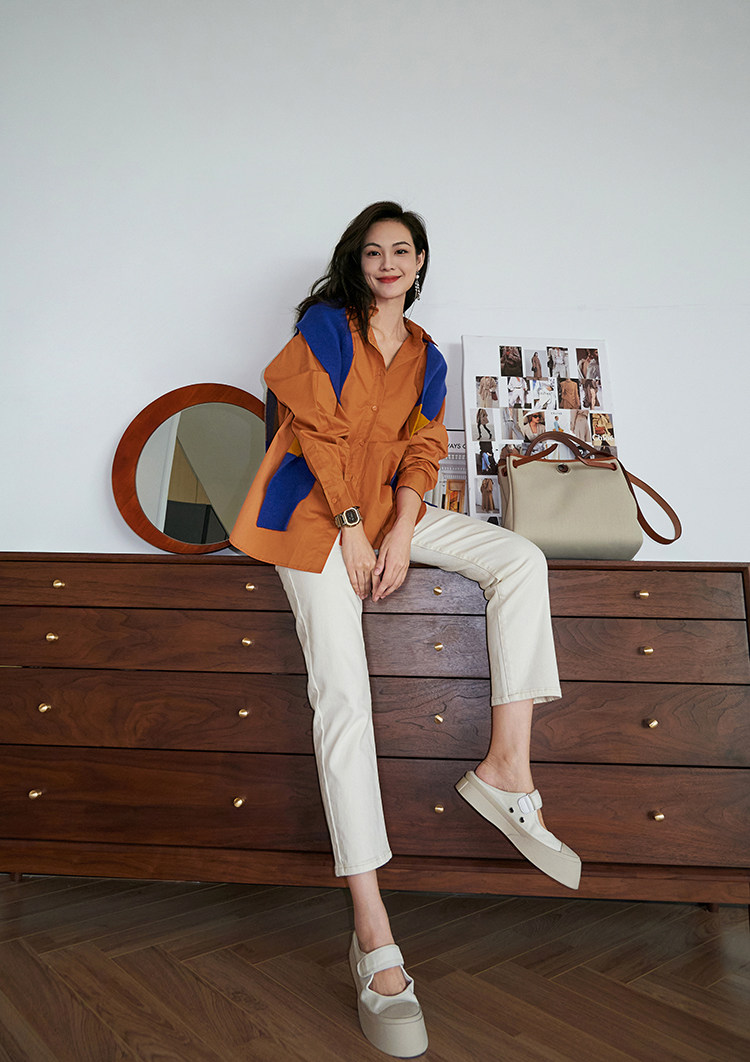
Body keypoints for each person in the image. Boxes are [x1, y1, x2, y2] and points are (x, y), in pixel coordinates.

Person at [231, 201, 580, 1058]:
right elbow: (316, 433)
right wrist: (356, 528)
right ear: (356, 262)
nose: (387, 262)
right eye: (373, 251)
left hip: (385, 516)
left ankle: (507, 768)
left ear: (420, 263)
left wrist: (400, 527)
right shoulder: (326, 325)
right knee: (344, 703)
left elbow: (422, 449)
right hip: (313, 519)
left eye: (402, 250)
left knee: (519, 560)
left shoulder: (426, 354)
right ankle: (374, 934)